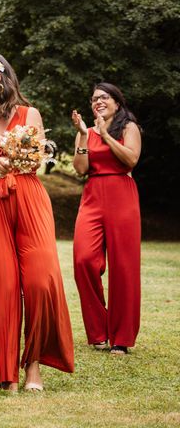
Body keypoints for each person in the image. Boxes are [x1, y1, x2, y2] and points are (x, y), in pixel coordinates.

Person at [0, 53, 74, 392]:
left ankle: (34, 364)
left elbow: (34, 161)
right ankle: (7, 371)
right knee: (2, 287)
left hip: (29, 199)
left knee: (41, 281)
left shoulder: (30, 115)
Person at [71, 83, 142, 355]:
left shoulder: (128, 128)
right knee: (83, 259)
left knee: (124, 267)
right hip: (92, 196)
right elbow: (80, 169)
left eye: (103, 97)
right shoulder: (87, 132)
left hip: (122, 195)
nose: (97, 102)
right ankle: (99, 330)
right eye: (93, 99)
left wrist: (106, 136)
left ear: (116, 102)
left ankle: (121, 338)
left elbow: (131, 159)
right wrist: (82, 136)